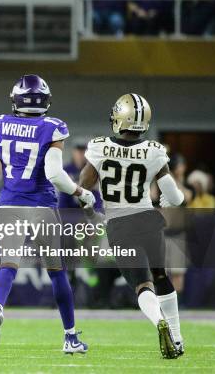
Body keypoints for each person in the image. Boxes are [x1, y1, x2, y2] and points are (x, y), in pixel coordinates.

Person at [0, 74, 94, 353]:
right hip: (42, 205)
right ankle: (70, 337)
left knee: (7, 264)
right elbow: (55, 174)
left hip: (10, 202)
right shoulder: (52, 127)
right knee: (56, 273)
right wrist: (82, 193)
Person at [79, 93, 185, 359]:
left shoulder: (98, 147)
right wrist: (165, 199)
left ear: (119, 117)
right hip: (149, 219)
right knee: (161, 276)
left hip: (119, 223)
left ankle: (158, 321)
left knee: (142, 285)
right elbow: (175, 197)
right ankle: (177, 337)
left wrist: (91, 212)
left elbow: (83, 187)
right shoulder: (154, 151)